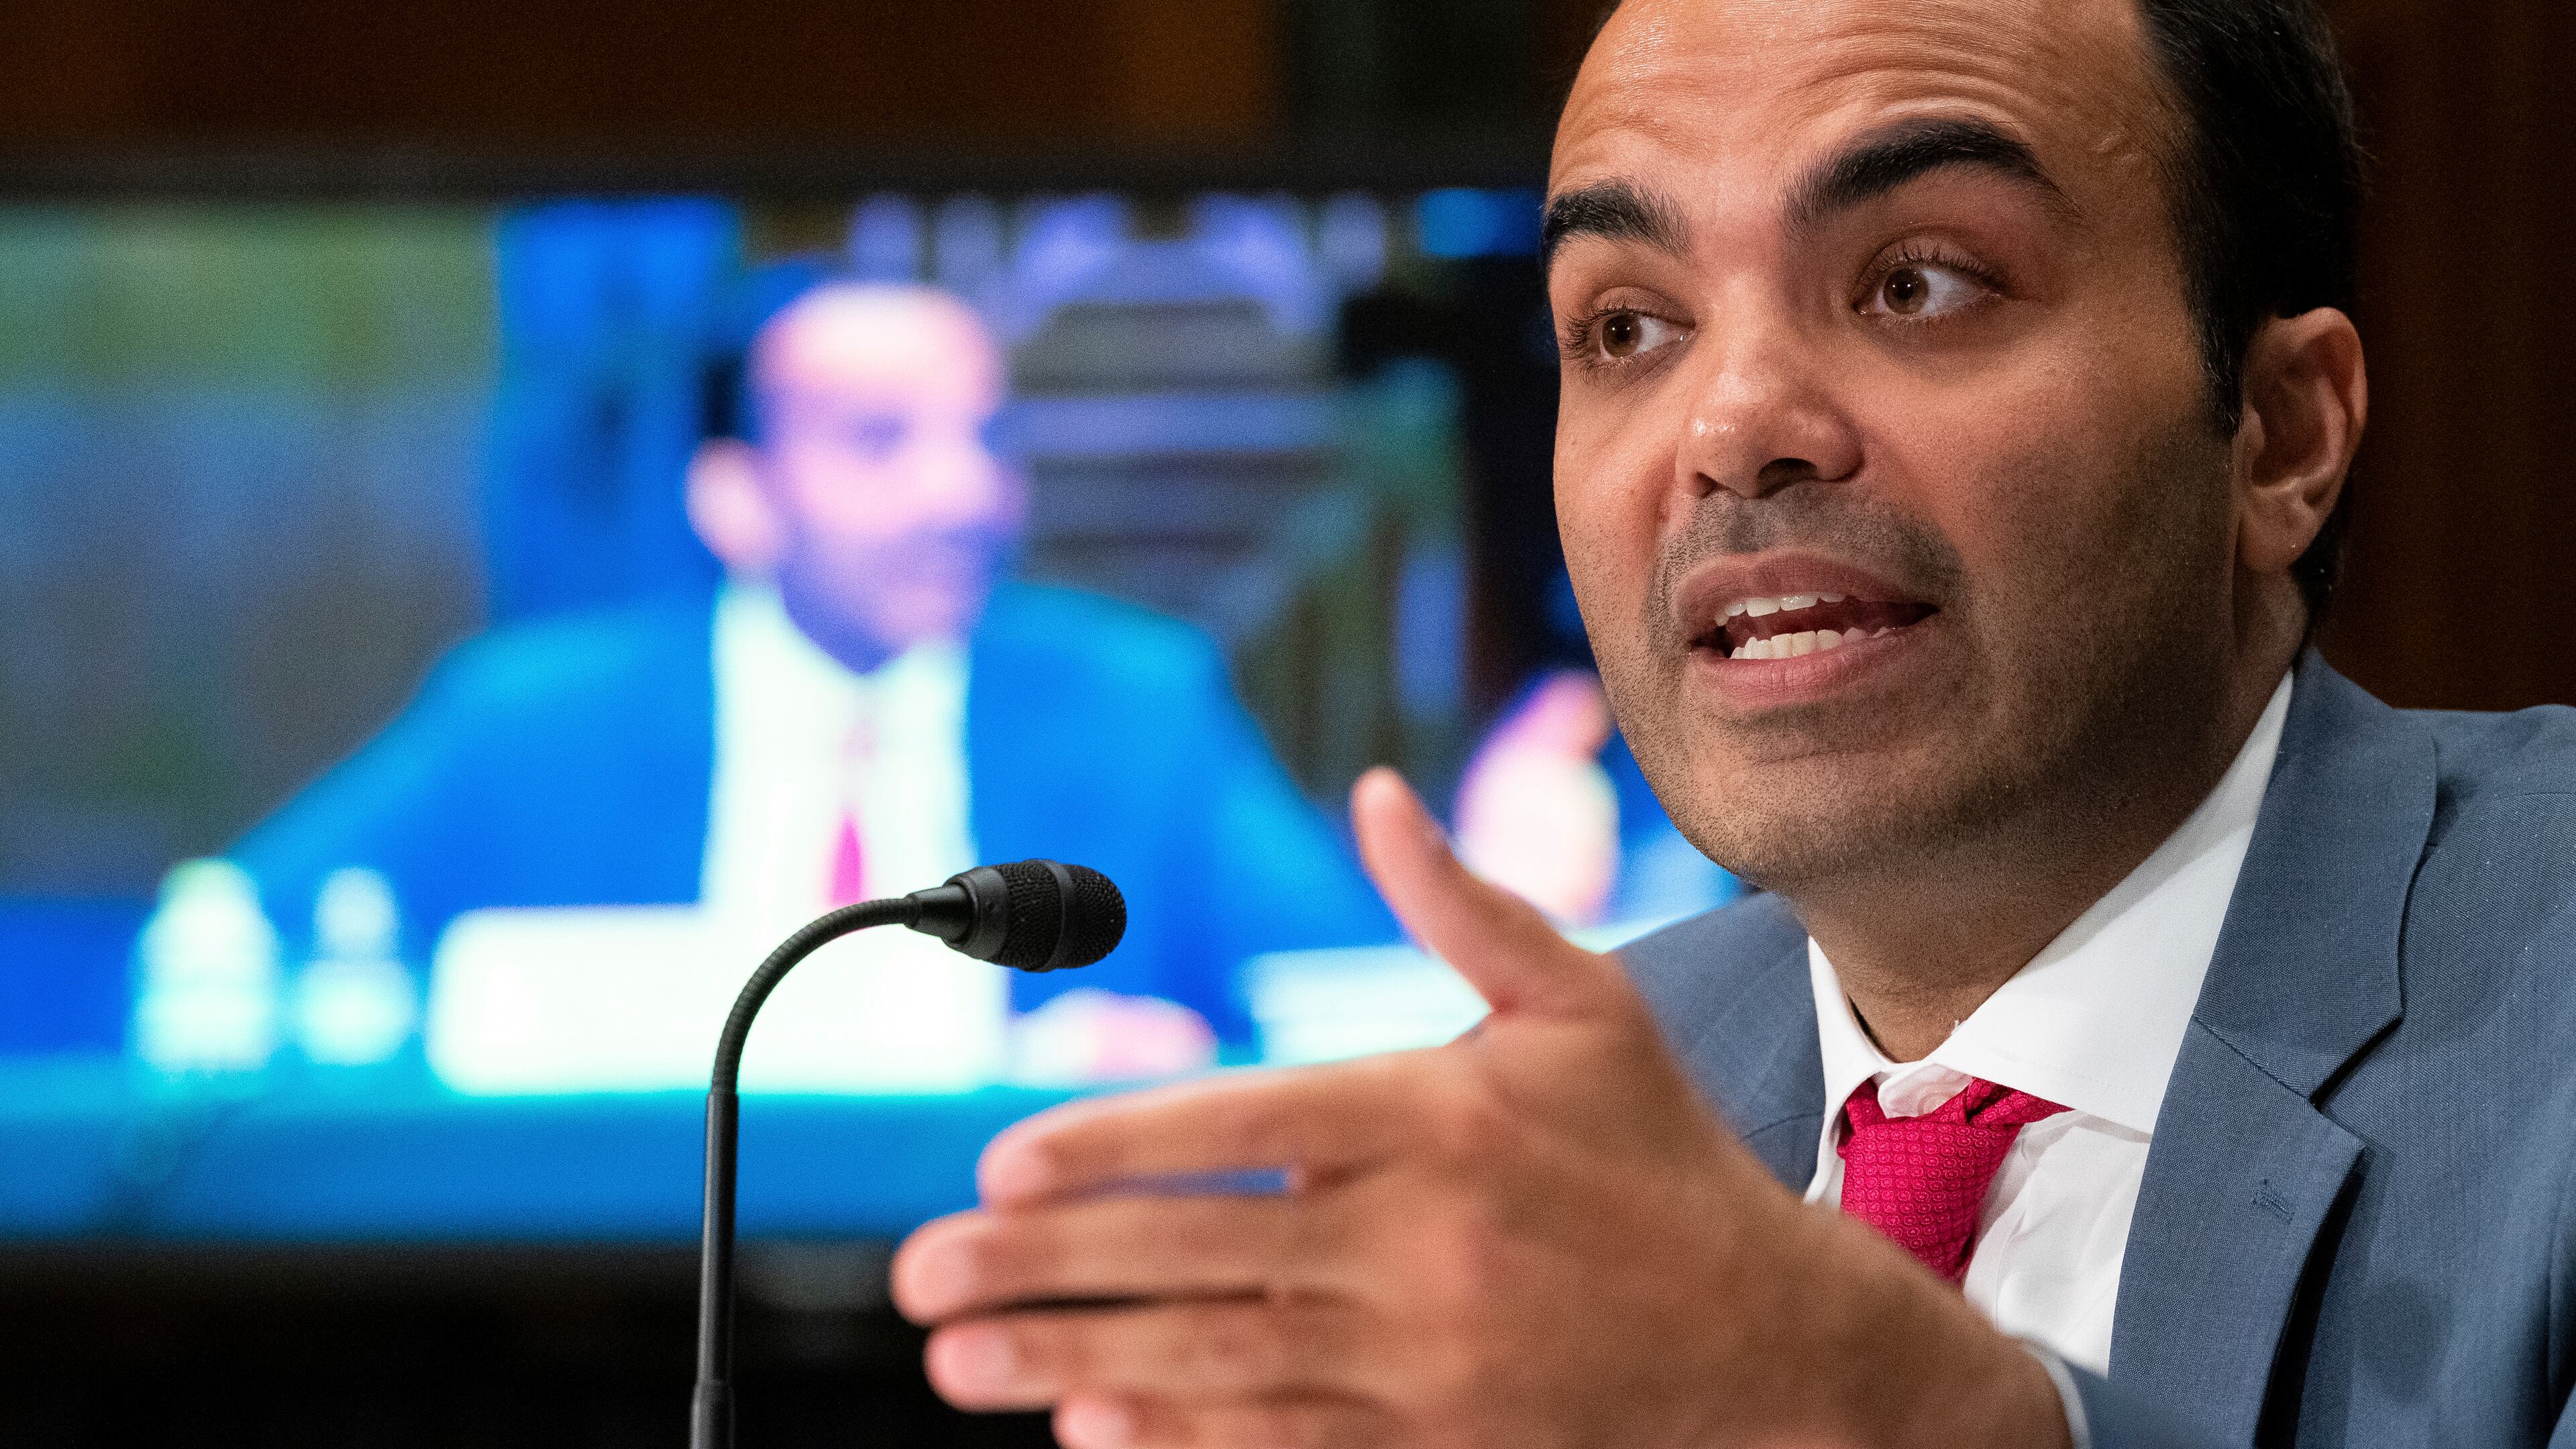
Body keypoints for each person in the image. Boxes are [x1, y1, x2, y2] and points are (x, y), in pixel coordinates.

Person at [885, 1, 2576, 1445]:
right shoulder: (1565, 1144)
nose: (1733, 426)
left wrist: (1893, 1415)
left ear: (2280, 435)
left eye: (1920, 283)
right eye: (1627, 327)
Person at [227, 279, 1393, 1057]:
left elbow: (1340, 1002)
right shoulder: (532, 721)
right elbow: (227, 952)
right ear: (736, 497)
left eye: (985, 441)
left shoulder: (1140, 703)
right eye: (880, 441)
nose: (965, 497)